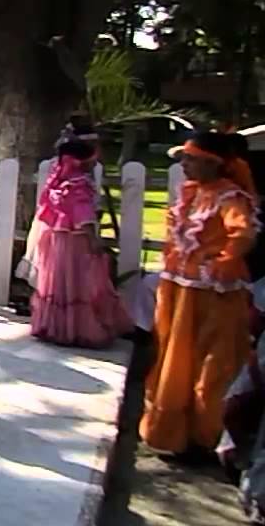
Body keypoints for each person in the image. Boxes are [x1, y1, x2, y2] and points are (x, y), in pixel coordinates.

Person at [141, 131, 258, 458]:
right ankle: (172, 433)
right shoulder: (191, 193)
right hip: (180, 290)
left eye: (190, 159)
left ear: (212, 163)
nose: (185, 165)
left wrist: (225, 260)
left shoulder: (230, 197)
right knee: (174, 357)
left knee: (211, 362)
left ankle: (206, 435)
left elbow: (242, 233)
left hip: (212, 295)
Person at [25, 127, 133, 348]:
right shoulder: (79, 183)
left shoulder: (58, 181)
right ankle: (78, 329)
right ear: (82, 161)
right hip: (76, 240)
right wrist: (93, 237)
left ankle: (56, 326)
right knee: (79, 281)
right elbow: (82, 214)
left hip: (57, 239)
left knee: (59, 281)